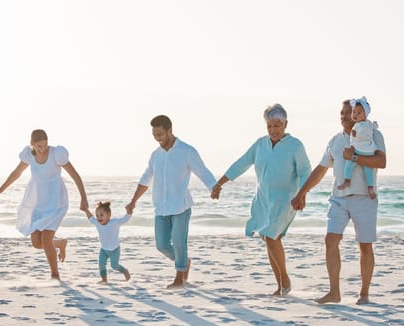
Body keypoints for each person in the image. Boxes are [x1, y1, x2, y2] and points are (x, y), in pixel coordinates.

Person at [291, 100, 386, 305]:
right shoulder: (335, 140)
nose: (344, 116)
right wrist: (302, 192)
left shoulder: (373, 134)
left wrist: (355, 158)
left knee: (365, 246)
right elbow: (321, 169)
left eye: (348, 112)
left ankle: (364, 294)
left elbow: (381, 162)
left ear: (358, 114)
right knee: (331, 240)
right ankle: (334, 292)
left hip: (365, 199)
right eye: (341, 113)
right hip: (339, 199)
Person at [212, 104, 311, 296]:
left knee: (272, 236)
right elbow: (242, 163)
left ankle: (285, 282)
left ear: (285, 124)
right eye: (269, 126)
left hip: (286, 199)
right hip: (264, 198)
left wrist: (302, 195)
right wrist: (220, 182)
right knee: (268, 238)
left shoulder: (295, 145)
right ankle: (281, 283)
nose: (273, 130)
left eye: (277, 125)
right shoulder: (260, 144)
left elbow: (306, 171)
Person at [126, 115, 219, 289]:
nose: (157, 138)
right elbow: (146, 179)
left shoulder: (187, 151)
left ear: (170, 130)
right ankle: (183, 262)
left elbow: (202, 171)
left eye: (160, 134)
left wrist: (213, 187)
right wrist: (133, 201)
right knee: (161, 245)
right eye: (154, 135)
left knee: (178, 242)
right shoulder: (155, 155)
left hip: (181, 206)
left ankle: (180, 278)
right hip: (161, 207)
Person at [0, 129, 88, 280]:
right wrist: (0, 189)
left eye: (45, 145)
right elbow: (16, 173)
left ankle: (55, 275)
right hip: (37, 201)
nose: (42, 149)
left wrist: (84, 198)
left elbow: (75, 175)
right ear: (32, 144)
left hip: (56, 201)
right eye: (39, 146)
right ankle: (60, 243)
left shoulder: (57, 154)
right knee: (37, 243)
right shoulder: (28, 155)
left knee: (46, 239)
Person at [337, 96, 378, 199]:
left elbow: (364, 133)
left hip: (360, 150)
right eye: (354, 112)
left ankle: (347, 180)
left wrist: (355, 133)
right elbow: (373, 128)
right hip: (368, 151)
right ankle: (370, 188)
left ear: (365, 114)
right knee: (368, 171)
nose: (355, 115)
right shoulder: (368, 124)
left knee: (349, 165)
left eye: (358, 113)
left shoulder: (360, 126)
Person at [84, 201, 132, 283]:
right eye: (97, 215)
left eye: (101, 215)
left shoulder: (114, 222)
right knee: (101, 265)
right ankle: (104, 279)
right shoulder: (97, 223)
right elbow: (91, 218)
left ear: (109, 215)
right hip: (103, 250)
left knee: (114, 266)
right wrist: (86, 210)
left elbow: (125, 219)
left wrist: (129, 212)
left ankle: (125, 271)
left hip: (115, 249)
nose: (99, 218)